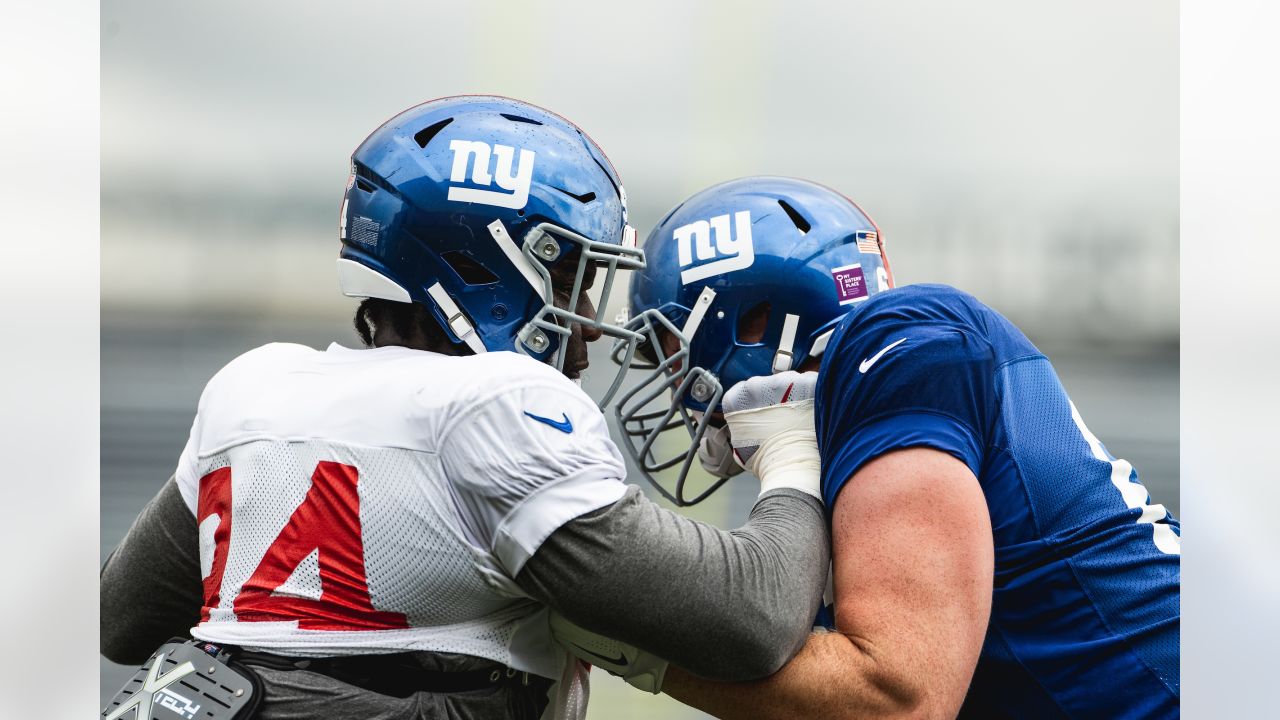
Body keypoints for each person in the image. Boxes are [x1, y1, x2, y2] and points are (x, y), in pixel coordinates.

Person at [100, 99, 831, 720]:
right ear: (485, 267)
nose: (583, 331)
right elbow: (750, 622)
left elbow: (125, 618)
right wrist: (794, 457)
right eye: (571, 281)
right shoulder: (496, 406)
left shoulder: (253, 386)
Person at [594, 176, 1180, 718]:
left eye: (671, 347)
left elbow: (899, 700)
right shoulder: (856, 449)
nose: (673, 384)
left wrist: (630, 639)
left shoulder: (896, 339)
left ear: (756, 318)